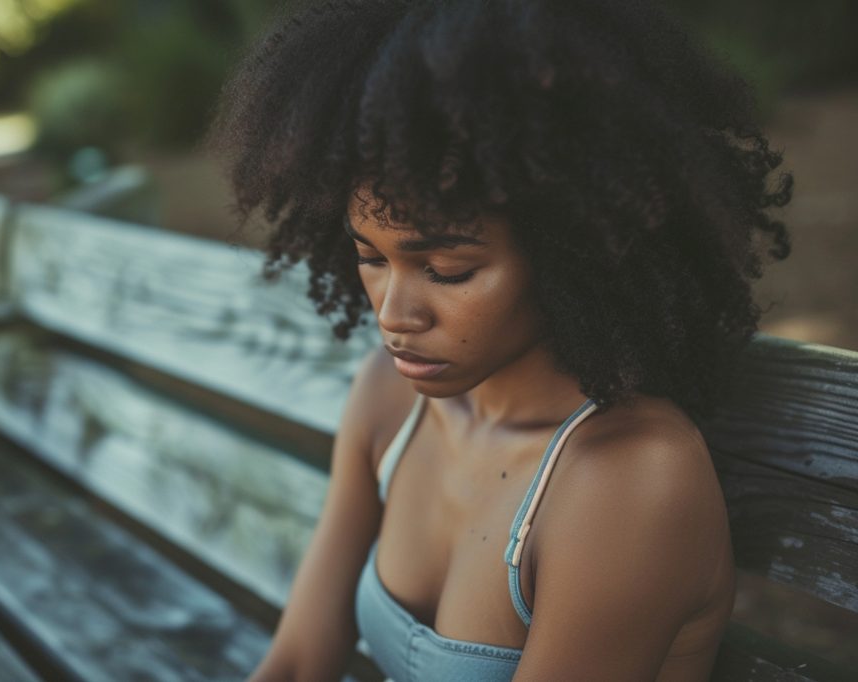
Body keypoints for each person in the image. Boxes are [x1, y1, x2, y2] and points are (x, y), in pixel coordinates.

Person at [207, 0, 792, 679]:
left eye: (448, 270)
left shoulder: (629, 479)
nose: (395, 314)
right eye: (371, 257)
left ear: (574, 251)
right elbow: (301, 662)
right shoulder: (388, 400)